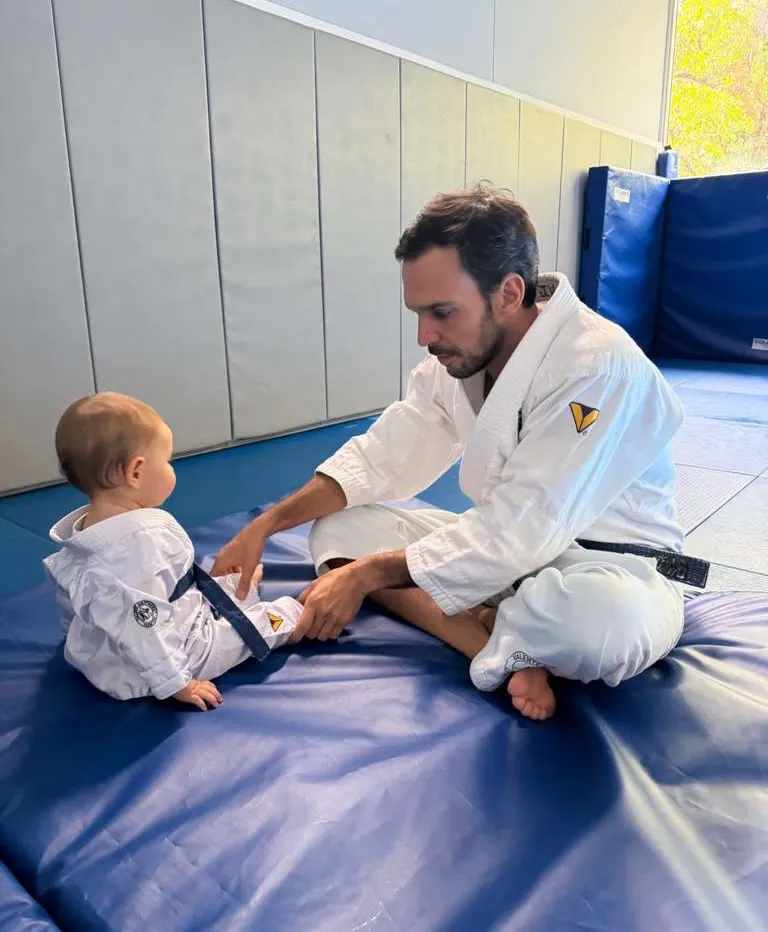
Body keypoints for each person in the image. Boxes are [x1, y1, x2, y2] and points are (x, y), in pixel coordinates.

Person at [212, 185, 691, 721]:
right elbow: (382, 455)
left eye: (441, 312)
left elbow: (522, 529)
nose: (424, 335)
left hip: (609, 569)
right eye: (418, 313)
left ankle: (498, 631)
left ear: (509, 293)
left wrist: (367, 577)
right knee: (339, 529)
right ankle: (499, 642)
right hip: (510, 558)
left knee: (597, 628)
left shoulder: (597, 369)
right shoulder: (460, 359)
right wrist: (266, 526)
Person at [43, 393, 302, 710]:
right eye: (166, 461)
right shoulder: (139, 549)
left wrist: (79, 641)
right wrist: (179, 682)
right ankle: (295, 617)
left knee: (227, 587)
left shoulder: (85, 533)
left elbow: (72, 602)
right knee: (272, 620)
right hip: (159, 661)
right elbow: (145, 629)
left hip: (106, 651)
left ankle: (239, 591)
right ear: (136, 472)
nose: (171, 468)